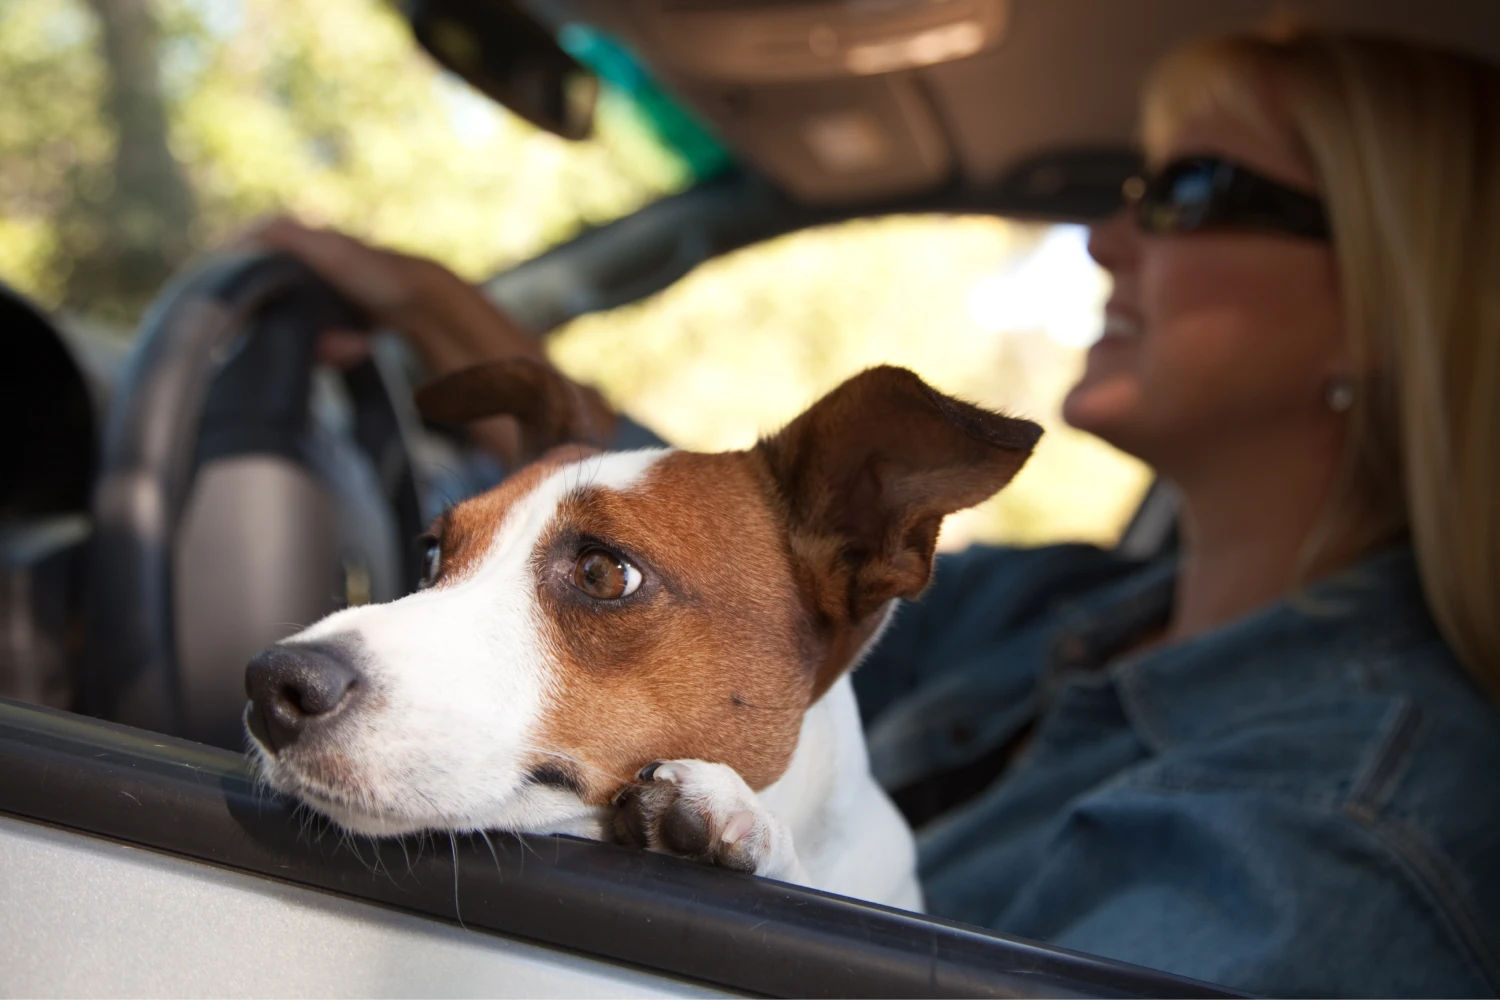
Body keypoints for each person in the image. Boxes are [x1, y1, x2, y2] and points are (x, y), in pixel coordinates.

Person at [252, 28, 1500, 997]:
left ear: (1395, 295)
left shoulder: (1351, 830)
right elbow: (679, 521)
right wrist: (422, 297)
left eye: (1189, 193)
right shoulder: (1065, 609)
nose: (1107, 239)